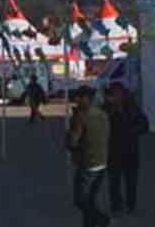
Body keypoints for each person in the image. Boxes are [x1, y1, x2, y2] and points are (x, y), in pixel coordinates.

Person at [66, 87, 111, 227]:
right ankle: (90, 223)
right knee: (90, 198)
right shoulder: (102, 113)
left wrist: (68, 136)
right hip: (102, 161)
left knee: (80, 199)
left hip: (88, 162)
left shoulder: (81, 116)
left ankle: (101, 220)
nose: (76, 100)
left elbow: (73, 141)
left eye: (79, 97)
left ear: (86, 98)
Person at [105, 82, 149, 216]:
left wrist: (131, 131)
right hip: (113, 151)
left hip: (130, 150)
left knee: (131, 181)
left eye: (119, 93)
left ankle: (131, 205)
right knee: (114, 181)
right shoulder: (106, 109)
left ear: (123, 94)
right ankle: (116, 205)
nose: (117, 96)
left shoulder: (132, 107)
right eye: (114, 94)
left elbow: (144, 125)